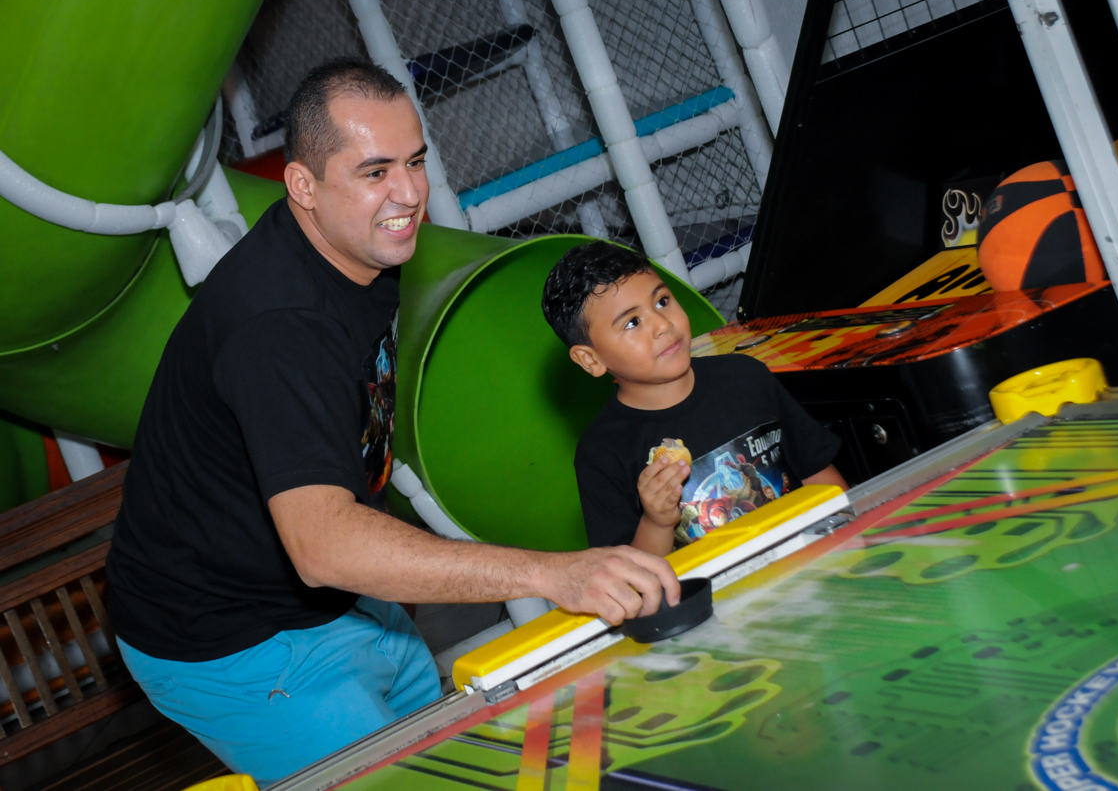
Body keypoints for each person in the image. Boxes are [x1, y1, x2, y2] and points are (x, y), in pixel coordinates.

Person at [105, 58, 679, 785]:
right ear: (302, 185)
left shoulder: (357, 245)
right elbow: (322, 545)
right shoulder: (276, 329)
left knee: (460, 768)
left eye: (415, 161)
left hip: (346, 599)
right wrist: (551, 571)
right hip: (233, 640)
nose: (409, 193)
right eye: (375, 171)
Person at [541, 242, 848, 557]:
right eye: (632, 322)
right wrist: (656, 523)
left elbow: (820, 476)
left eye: (662, 301)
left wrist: (855, 540)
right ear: (591, 360)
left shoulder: (745, 376)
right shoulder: (602, 451)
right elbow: (630, 575)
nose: (663, 325)